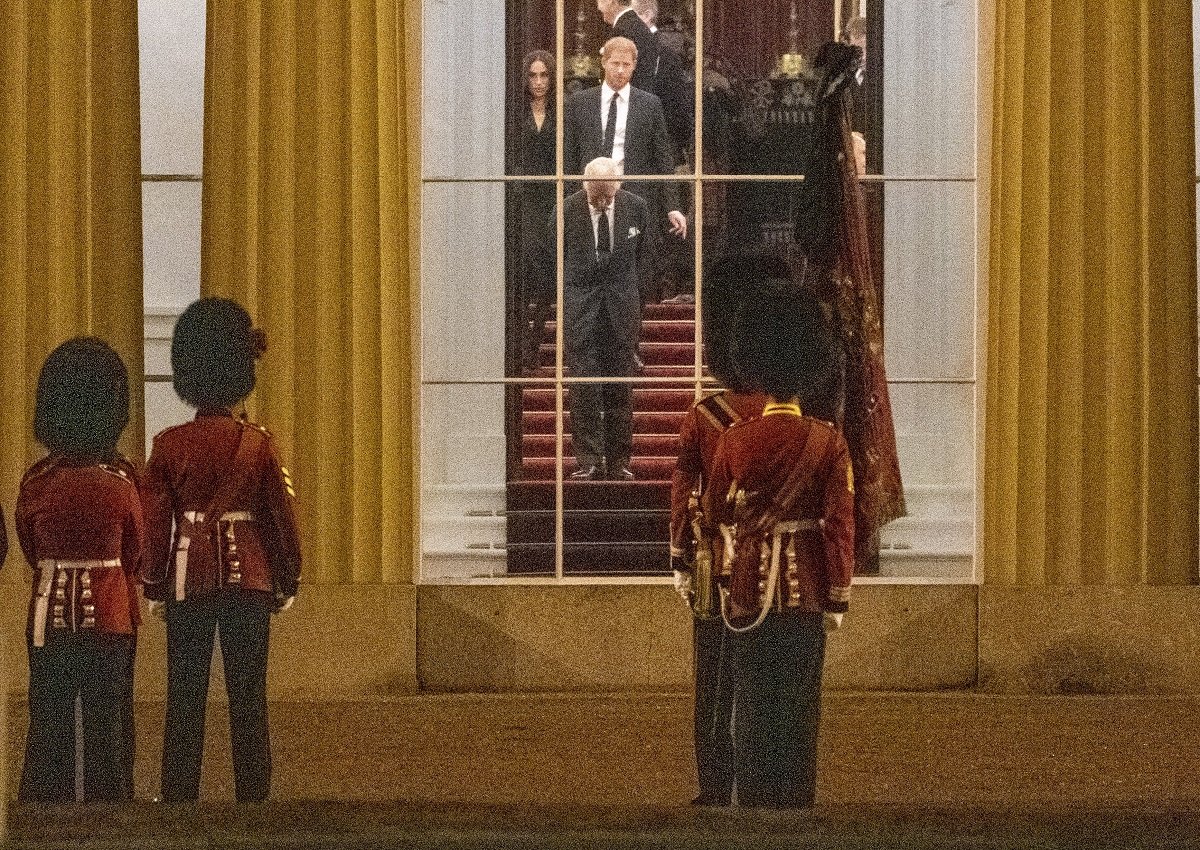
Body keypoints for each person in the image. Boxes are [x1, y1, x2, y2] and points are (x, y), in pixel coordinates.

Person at [142, 297, 301, 803]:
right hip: (250, 578)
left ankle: (178, 796)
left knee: (183, 700)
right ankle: (253, 797)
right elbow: (281, 520)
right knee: (248, 700)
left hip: (189, 579)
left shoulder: (169, 444)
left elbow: (154, 524)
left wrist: (153, 581)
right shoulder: (258, 443)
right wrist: (288, 577)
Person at [702, 281, 854, 809]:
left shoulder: (734, 439)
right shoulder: (828, 440)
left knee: (752, 695)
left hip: (746, 585)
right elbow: (839, 525)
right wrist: (838, 595)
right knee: (799, 699)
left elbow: (715, 510)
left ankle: (754, 793)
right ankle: (796, 792)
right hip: (808, 587)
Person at [669, 254, 784, 806]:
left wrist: (677, 554)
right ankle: (759, 778)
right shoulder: (787, 416)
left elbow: (685, 493)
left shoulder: (704, 416)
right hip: (773, 567)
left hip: (715, 560)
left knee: (711, 677)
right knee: (762, 678)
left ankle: (714, 782)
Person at [13, 337, 143, 802]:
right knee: (109, 723)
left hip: (48, 613)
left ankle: (48, 805)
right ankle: (113, 804)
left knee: (49, 721)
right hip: (109, 615)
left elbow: (30, 547)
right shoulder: (124, 481)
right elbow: (136, 553)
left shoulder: (36, 481)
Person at [559, 157, 650, 481]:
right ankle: (588, 461)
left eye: (607, 197)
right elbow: (553, 258)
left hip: (621, 310)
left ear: (618, 186)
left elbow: (644, 258)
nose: (601, 202)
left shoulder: (637, 207)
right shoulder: (567, 209)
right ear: (584, 186)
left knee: (619, 391)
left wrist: (633, 299)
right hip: (581, 310)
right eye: (595, 196)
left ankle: (618, 462)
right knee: (583, 389)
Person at [563, 36, 687, 244]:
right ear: (604, 62)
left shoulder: (650, 104)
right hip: (588, 198)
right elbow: (569, 155)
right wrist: (567, 199)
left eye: (626, 65)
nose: (620, 70)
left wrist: (672, 206)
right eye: (615, 64)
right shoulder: (580, 103)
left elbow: (663, 159)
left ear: (634, 66)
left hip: (634, 197)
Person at [517, 49, 557, 374]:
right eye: (534, 75)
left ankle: (536, 339)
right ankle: (523, 341)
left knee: (546, 270)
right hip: (525, 197)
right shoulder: (515, 113)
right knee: (528, 258)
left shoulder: (561, 113)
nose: (539, 82)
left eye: (544, 75)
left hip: (552, 197)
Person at [597, 0, 659, 94]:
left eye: (600, 1)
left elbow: (617, 77)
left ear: (611, 1)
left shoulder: (623, 30)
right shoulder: (636, 25)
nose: (598, 7)